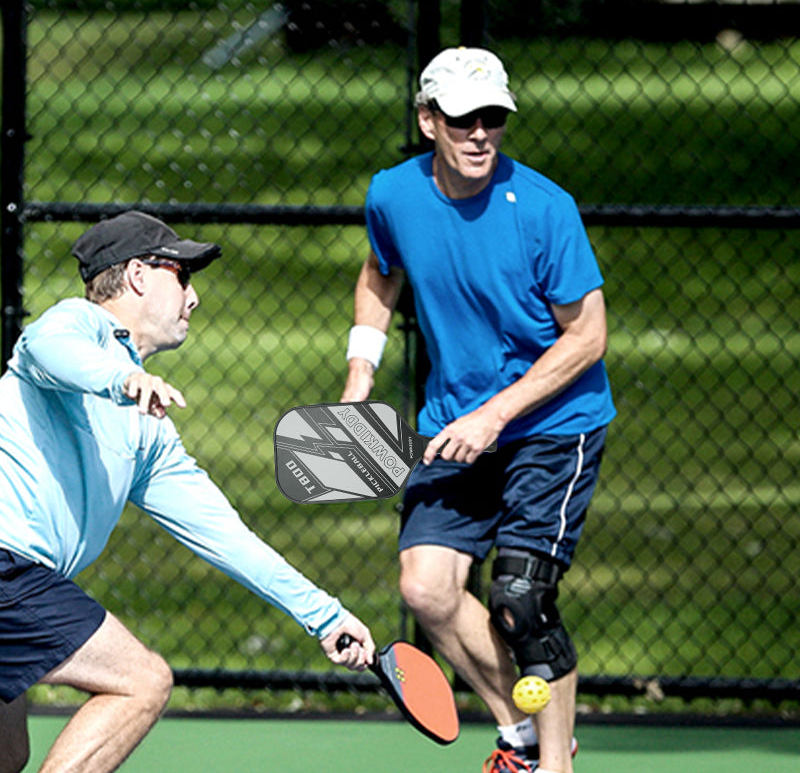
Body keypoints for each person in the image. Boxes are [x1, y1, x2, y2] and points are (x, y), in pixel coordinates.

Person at [0, 211, 375, 773]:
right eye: (183, 275)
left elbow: (225, 537)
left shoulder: (150, 434)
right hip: (10, 572)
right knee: (141, 682)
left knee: (8, 754)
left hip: (23, 584)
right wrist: (124, 379)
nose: (194, 298)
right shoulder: (78, 325)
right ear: (137, 276)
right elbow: (48, 346)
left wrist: (323, 614)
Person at [342, 48, 615, 773]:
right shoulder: (393, 195)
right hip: (453, 422)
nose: (479, 134)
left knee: (521, 599)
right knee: (426, 588)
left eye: (493, 118)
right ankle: (521, 737)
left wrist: (495, 417)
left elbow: (587, 336)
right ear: (428, 120)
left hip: (555, 425)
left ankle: (552, 765)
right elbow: (380, 271)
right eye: (462, 119)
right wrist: (359, 371)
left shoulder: (545, 210)